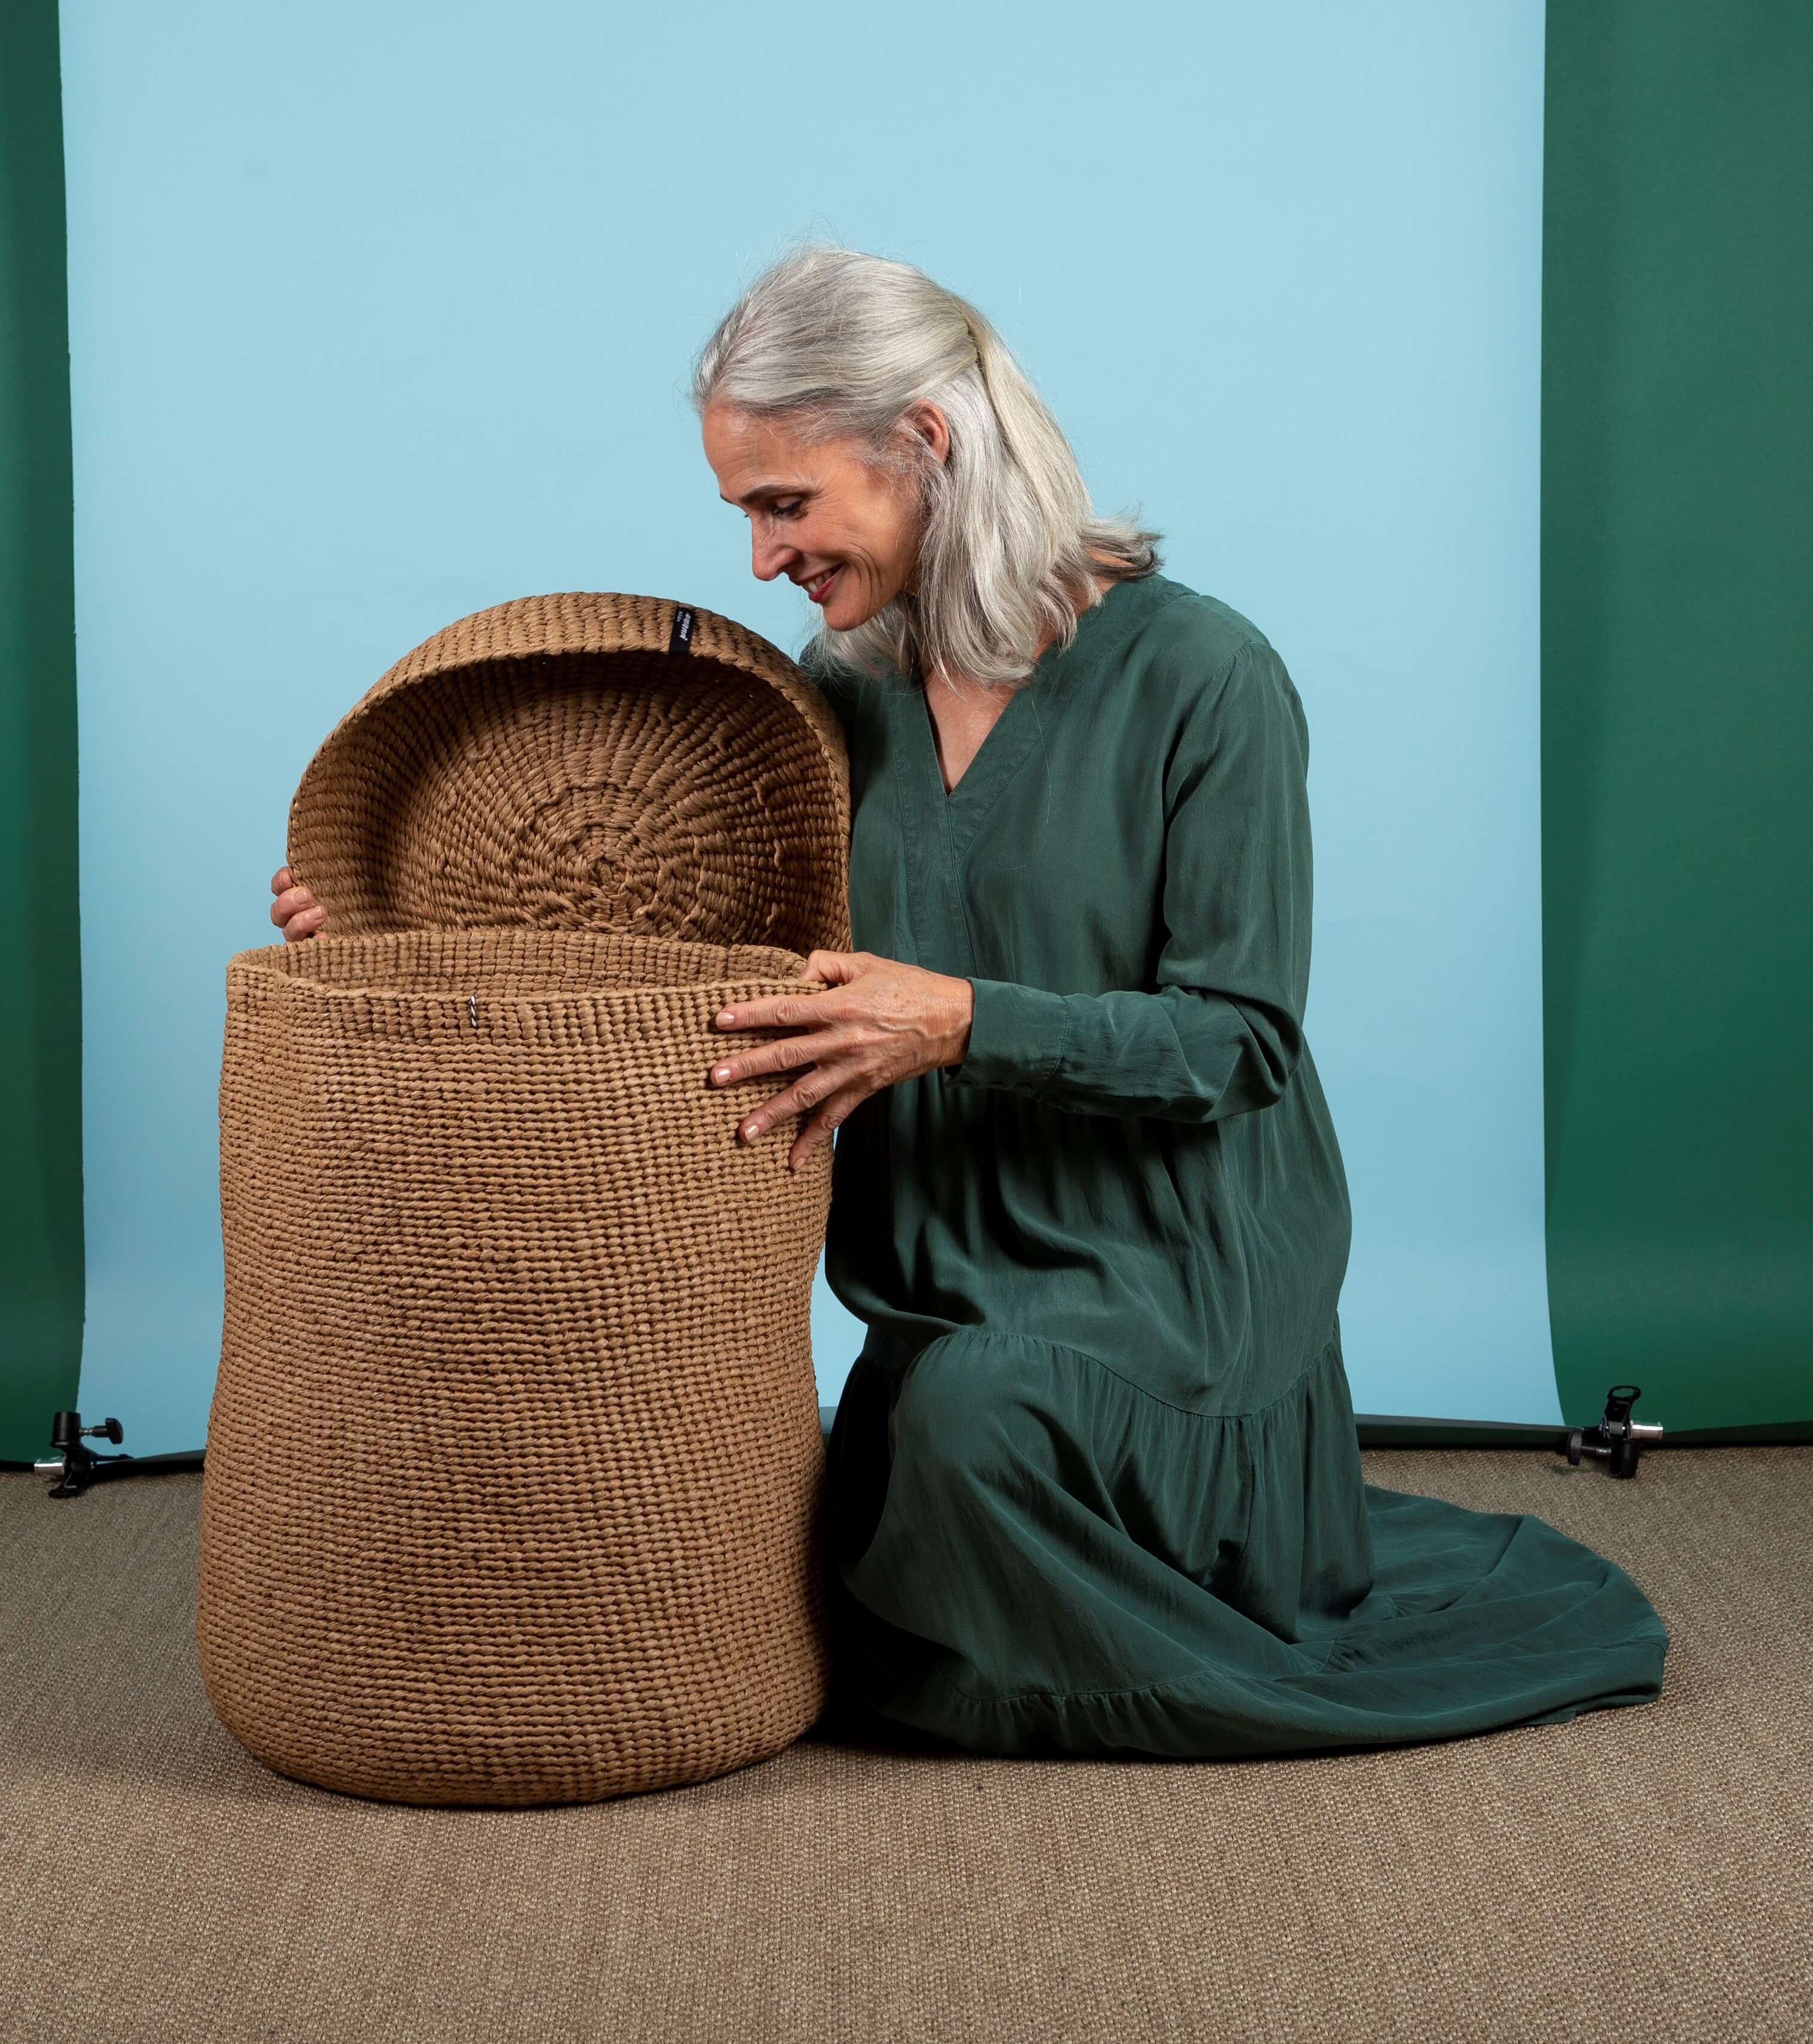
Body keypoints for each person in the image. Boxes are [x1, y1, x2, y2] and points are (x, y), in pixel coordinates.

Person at [271, 244, 1668, 1761]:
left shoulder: (1206, 677)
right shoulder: (838, 690)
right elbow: (684, 947)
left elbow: (1240, 1041)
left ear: (923, 442)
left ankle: (1181, 1550)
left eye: (782, 502)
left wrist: (957, 1023)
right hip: (942, 1301)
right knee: (820, 1494)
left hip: (1173, 1294)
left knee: (949, 1453)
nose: (760, 558)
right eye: (744, 513)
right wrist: (395, 928)